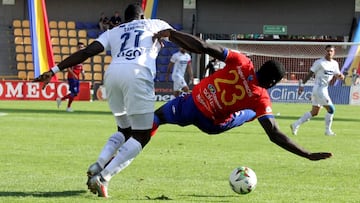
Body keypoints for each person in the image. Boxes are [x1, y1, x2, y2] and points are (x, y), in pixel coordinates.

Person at [33, 4, 173, 198]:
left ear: (124, 19)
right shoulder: (153, 23)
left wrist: (54, 70)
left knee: (124, 130)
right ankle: (103, 177)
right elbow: (180, 38)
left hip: (112, 76)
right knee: (142, 135)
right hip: (138, 74)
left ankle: (98, 164)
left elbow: (86, 52)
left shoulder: (114, 31)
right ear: (142, 16)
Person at [150, 29, 332, 162]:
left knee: (156, 117)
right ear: (272, 84)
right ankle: (244, 114)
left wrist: (172, 34)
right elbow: (274, 134)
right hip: (212, 123)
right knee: (254, 113)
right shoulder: (261, 98)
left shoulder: (241, 61)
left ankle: (128, 142)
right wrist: (306, 154)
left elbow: (203, 46)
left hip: (193, 102)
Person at [290, 45, 344, 136]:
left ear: (334, 52)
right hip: (319, 89)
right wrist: (302, 85)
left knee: (315, 112)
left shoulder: (335, 64)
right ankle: (328, 131)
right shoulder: (319, 62)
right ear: (325, 51)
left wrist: (341, 76)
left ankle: (295, 124)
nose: (329, 52)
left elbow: (337, 74)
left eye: (331, 51)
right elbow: (310, 73)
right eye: (327, 51)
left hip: (324, 89)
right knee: (331, 109)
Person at [56, 42, 86, 112]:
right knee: (74, 93)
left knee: (75, 93)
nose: (81, 48)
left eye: (82, 47)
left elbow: (81, 66)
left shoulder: (82, 57)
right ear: (77, 48)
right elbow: (68, 68)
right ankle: (67, 106)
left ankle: (61, 100)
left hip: (77, 77)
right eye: (79, 47)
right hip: (72, 77)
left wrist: (83, 73)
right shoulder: (74, 56)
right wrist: (73, 75)